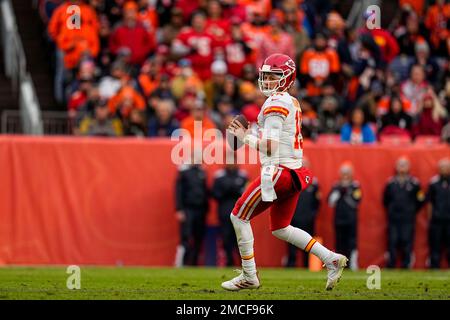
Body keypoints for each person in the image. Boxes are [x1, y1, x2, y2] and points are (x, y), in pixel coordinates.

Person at [223, 53, 348, 292]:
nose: (267, 80)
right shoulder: (290, 101)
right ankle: (331, 258)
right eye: (266, 76)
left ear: (287, 78)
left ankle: (249, 275)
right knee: (281, 227)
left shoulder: (276, 102)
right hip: (293, 173)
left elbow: (269, 144)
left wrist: (244, 136)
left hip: (277, 172)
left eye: (273, 76)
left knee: (238, 216)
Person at [383, 157, 425, 268]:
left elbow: (420, 200)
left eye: (404, 165)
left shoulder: (414, 183)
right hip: (394, 218)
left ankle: (406, 264)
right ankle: (391, 264)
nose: (402, 167)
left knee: (407, 241)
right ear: (396, 167)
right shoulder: (391, 183)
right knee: (392, 241)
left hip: (408, 218)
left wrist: (411, 210)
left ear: (408, 167)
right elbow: (385, 200)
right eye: (400, 165)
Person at [174, 153, 209, 266]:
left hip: (200, 210)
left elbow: (204, 191)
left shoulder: (202, 172)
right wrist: (179, 209)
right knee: (186, 236)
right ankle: (181, 262)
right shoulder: (184, 172)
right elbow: (178, 191)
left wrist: (206, 208)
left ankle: (194, 263)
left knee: (198, 236)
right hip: (188, 209)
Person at [286, 158, 320, 268]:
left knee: (307, 243)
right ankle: (291, 265)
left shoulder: (313, 183)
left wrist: (312, 214)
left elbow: (317, 201)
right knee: (291, 243)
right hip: (293, 217)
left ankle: (306, 265)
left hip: (307, 219)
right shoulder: (292, 179)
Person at [211, 163, 248, 266]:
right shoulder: (219, 176)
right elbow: (214, 193)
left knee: (241, 238)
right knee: (226, 237)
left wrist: (235, 191)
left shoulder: (243, 175)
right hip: (225, 211)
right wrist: (228, 191)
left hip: (240, 212)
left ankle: (244, 262)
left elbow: (247, 192)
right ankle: (229, 261)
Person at [328, 163, 362, 270]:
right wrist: (338, 193)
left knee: (352, 242)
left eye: (347, 173)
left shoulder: (355, 186)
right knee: (339, 242)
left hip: (351, 219)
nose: (345, 175)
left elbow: (356, 202)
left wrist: (346, 193)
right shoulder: (336, 186)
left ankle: (352, 263)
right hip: (339, 219)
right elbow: (330, 202)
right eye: (343, 173)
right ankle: (339, 264)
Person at [426, 158, 450, 269]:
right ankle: (434, 266)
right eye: (442, 167)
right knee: (435, 245)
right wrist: (430, 218)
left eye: (446, 167)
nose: (444, 169)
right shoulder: (433, 183)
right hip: (437, 220)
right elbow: (429, 202)